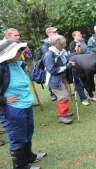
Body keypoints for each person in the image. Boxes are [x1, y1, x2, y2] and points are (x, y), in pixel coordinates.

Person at [0, 40, 46, 169]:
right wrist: (4, 100)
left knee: (27, 132)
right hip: (12, 109)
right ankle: (20, 166)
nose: (22, 52)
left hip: (25, 105)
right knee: (17, 137)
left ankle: (29, 156)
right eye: (18, 50)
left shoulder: (17, 64)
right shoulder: (1, 69)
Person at [43, 35, 74, 124]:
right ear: (57, 44)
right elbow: (52, 70)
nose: (64, 45)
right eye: (62, 44)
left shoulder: (62, 51)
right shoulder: (49, 54)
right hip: (54, 79)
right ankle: (62, 116)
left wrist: (70, 63)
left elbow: (66, 61)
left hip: (63, 77)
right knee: (63, 96)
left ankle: (64, 112)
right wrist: (66, 67)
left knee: (65, 95)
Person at [69, 31, 96, 106]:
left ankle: (91, 95)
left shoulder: (83, 41)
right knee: (79, 83)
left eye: (80, 34)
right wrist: (76, 49)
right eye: (78, 35)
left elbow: (87, 50)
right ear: (74, 36)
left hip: (86, 64)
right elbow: (72, 54)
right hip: (77, 65)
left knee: (87, 80)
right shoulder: (72, 44)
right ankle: (83, 99)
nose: (80, 35)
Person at [41, 27, 59, 101]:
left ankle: (60, 91)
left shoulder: (58, 41)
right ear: (48, 34)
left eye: (56, 32)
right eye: (54, 32)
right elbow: (46, 55)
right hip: (49, 64)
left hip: (58, 62)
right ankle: (53, 93)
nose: (56, 33)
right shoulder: (45, 44)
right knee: (51, 77)